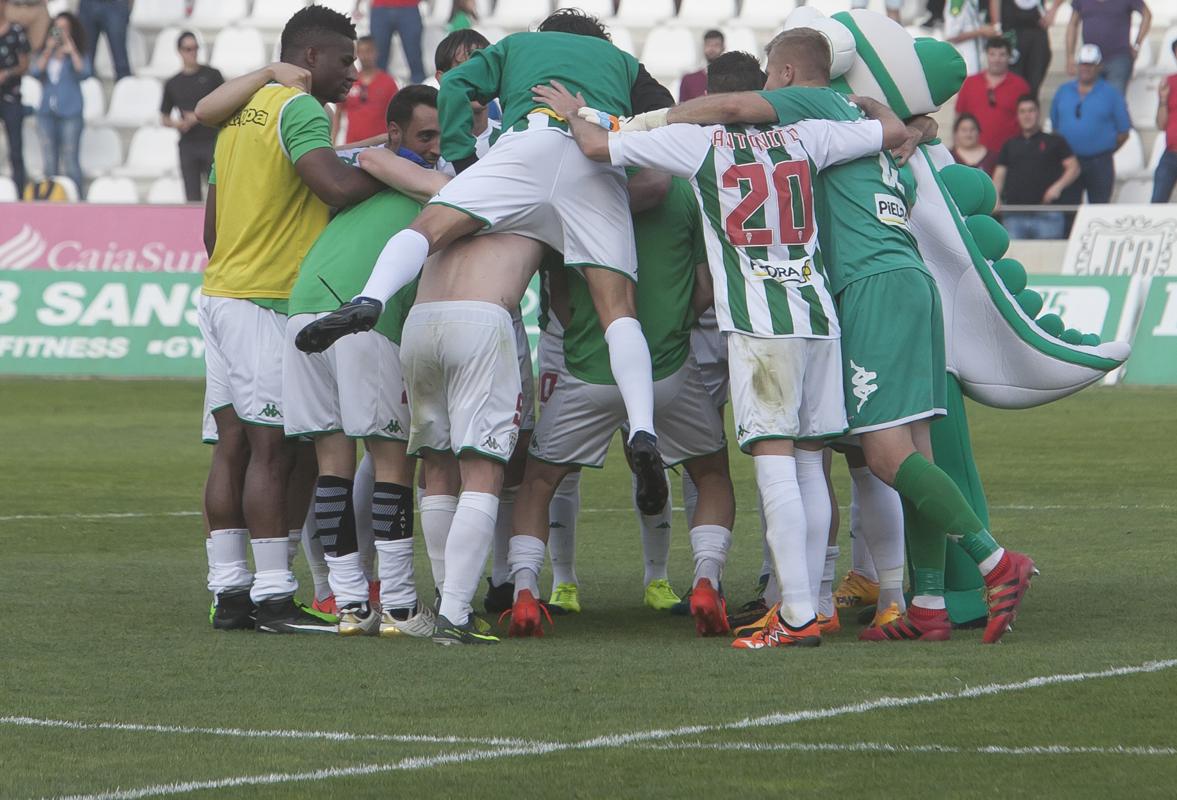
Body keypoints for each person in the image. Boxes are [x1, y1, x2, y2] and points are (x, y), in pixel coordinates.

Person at [650, 34, 1037, 646]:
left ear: (785, 73)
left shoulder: (805, 105)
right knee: (916, 454)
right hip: (910, 280)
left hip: (868, 286)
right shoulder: (861, 122)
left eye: (769, 79)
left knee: (884, 456)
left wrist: (648, 120)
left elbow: (736, 108)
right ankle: (928, 604)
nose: (765, 94)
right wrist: (911, 125)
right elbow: (915, 128)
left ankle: (995, 562)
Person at [539, 34, 908, 648]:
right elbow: (894, 132)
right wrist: (869, 105)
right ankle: (813, 603)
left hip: (761, 324)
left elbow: (598, 145)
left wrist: (575, 111)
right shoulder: (810, 134)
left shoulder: (699, 141)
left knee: (775, 465)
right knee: (811, 463)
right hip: (817, 316)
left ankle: (795, 616)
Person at [297, 9, 676, 522]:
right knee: (619, 312)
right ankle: (644, 429)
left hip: (523, 150)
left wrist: (464, 159)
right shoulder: (623, 62)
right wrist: (605, 124)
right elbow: (665, 115)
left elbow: (455, 85)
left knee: (428, 228)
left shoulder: (519, 46)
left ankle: (370, 297)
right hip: (594, 165)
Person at [193, 6, 385, 635]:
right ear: (309, 57)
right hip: (265, 300)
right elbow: (335, 187)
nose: (353, 73)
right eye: (344, 60)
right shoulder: (299, 110)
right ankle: (274, 596)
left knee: (233, 447)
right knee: (277, 449)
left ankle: (230, 592)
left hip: (221, 293)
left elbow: (211, 231)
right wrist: (396, 173)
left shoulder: (238, 116)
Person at [283, 87, 442, 638]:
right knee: (393, 462)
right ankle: (398, 606)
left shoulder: (361, 174)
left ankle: (351, 604)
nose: (434, 146)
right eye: (425, 135)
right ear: (397, 135)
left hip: (302, 308)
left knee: (332, 462)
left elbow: (358, 153)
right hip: (359, 315)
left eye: (440, 135)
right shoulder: (433, 187)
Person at [1051, 43, 1130, 205]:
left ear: (1099, 66)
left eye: (1090, 64)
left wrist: (1104, 149)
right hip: (1069, 161)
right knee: (1068, 208)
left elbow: (1124, 132)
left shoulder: (1111, 93)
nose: (1086, 68)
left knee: (1099, 209)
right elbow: (1055, 125)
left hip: (1100, 163)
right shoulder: (1063, 91)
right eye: (1083, 64)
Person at [995, 95, 1079, 239]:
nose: (1027, 115)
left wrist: (1057, 187)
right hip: (1015, 215)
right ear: (1017, 116)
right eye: (1022, 111)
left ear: (1039, 113)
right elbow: (999, 175)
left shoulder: (1055, 141)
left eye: (1031, 110)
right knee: (1014, 253)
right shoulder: (1009, 144)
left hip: (1048, 214)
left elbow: (1074, 167)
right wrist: (996, 197)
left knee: (1049, 253)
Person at [29, 12, 89, 194]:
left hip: (71, 112)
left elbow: (84, 72)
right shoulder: (46, 53)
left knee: (70, 160)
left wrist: (72, 51)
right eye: (57, 28)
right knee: (49, 161)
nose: (60, 32)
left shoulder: (77, 52)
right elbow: (35, 71)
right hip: (46, 113)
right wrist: (48, 50)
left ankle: (76, 199)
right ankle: (51, 198)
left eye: (64, 28)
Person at [160, 31, 223, 203]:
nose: (193, 52)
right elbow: (164, 117)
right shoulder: (173, 83)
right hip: (188, 144)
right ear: (179, 51)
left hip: (212, 141)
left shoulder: (212, 75)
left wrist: (198, 116)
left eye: (195, 48)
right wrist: (178, 124)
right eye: (188, 49)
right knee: (192, 196)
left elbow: (224, 102)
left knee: (218, 194)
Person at [954, 37, 1031, 155]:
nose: (997, 59)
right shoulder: (970, 83)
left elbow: (1028, 121)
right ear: (986, 55)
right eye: (992, 54)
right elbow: (958, 118)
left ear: (1009, 57)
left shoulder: (1020, 86)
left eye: (1002, 54)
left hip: (1010, 155)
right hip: (972, 155)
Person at [1066, 0, 1151, 96]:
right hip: (1090, 61)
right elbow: (1072, 24)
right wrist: (1070, 57)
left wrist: (1137, 44)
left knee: (1114, 99)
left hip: (1118, 59)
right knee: (1089, 100)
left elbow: (1147, 15)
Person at [988, 0, 1066, 98]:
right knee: (1011, 84)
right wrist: (996, 26)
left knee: (1033, 84)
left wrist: (1053, 11)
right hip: (1011, 30)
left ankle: (1030, 104)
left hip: (1037, 29)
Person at [334, 35, 398, 145]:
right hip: (352, 147)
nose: (365, 56)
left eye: (368, 51)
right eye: (361, 52)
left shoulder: (388, 82)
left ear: (376, 52)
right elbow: (338, 113)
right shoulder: (349, 80)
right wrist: (333, 141)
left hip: (380, 147)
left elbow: (396, 116)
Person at [0, 0, 31, 195]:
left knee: (16, 150)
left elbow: (24, 64)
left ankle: (19, 192)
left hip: (11, 97)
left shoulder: (16, 31)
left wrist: (7, 73)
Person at [369, 0, 425, 84]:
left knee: (414, 55)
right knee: (378, 56)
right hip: (380, 8)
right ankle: (377, 88)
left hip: (409, 7)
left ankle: (421, 89)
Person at [1151, 40, 1177, 204]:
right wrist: (1163, 99)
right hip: (1171, 153)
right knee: (1157, 203)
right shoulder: (1169, 83)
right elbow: (1161, 125)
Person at [77, 0, 129, 81]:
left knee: (121, 62)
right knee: (85, 62)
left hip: (115, 4)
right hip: (87, 4)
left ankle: (125, 87)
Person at [943, 0, 996, 76]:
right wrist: (982, 32)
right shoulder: (957, 1)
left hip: (978, 60)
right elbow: (951, 35)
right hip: (964, 61)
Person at [678, 29, 723, 103]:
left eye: (716, 45)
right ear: (703, 46)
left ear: (723, 47)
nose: (712, 49)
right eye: (708, 45)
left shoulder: (730, 78)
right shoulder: (688, 79)